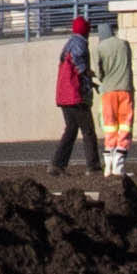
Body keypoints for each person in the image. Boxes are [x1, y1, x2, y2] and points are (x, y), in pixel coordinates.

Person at [48, 13, 101, 173]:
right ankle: (93, 166)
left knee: (71, 130)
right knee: (88, 131)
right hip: (76, 96)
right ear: (85, 30)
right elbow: (78, 63)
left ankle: (57, 165)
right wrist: (87, 72)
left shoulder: (69, 43)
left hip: (64, 95)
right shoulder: (80, 43)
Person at [87, 8, 134, 177]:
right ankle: (119, 166)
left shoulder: (98, 48)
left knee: (109, 127)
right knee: (125, 126)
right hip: (126, 89)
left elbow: (99, 74)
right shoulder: (124, 44)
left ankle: (108, 167)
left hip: (108, 92)